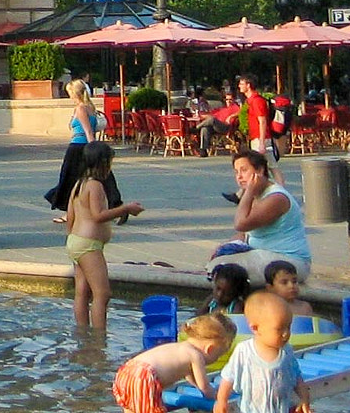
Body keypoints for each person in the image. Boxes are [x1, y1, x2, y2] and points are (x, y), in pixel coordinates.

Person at [67, 143, 142, 332]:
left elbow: (70, 216)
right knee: (102, 294)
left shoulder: (79, 184)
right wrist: (126, 208)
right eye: (110, 162)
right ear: (102, 163)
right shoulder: (95, 185)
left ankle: (82, 333)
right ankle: (99, 339)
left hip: (76, 241)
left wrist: (73, 238)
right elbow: (98, 215)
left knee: (82, 292)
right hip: (88, 245)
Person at [214, 150, 311, 284]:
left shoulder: (276, 198)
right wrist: (224, 247)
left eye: (244, 170)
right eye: (236, 172)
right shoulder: (258, 194)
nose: (239, 177)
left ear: (259, 170)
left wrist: (248, 192)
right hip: (266, 255)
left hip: (289, 262)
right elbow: (243, 233)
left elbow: (241, 223)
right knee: (219, 261)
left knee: (223, 269)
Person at [112, 312, 236, 413]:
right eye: (218, 355)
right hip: (144, 376)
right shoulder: (196, 356)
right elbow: (204, 387)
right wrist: (218, 398)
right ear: (210, 349)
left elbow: (191, 378)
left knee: (132, 409)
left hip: (127, 369)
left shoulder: (180, 348)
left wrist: (196, 387)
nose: (216, 359)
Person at [212, 290, 310, 413]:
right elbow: (228, 377)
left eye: (288, 327)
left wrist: (304, 399)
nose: (286, 334)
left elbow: (296, 377)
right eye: (279, 329)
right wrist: (222, 400)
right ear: (256, 328)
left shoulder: (286, 352)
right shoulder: (245, 351)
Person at [44, 79, 105, 215]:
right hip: (84, 145)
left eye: (70, 93)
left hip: (77, 146)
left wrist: (93, 148)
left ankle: (68, 209)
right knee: (84, 177)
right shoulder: (91, 108)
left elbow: (88, 131)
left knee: (68, 178)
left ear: (75, 93)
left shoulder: (81, 108)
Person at [238, 75, 275, 159]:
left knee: (271, 167)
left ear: (248, 85)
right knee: (261, 167)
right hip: (256, 138)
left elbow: (262, 121)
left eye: (241, 84)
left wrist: (262, 143)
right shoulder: (250, 101)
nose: (239, 86)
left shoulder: (257, 101)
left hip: (261, 138)